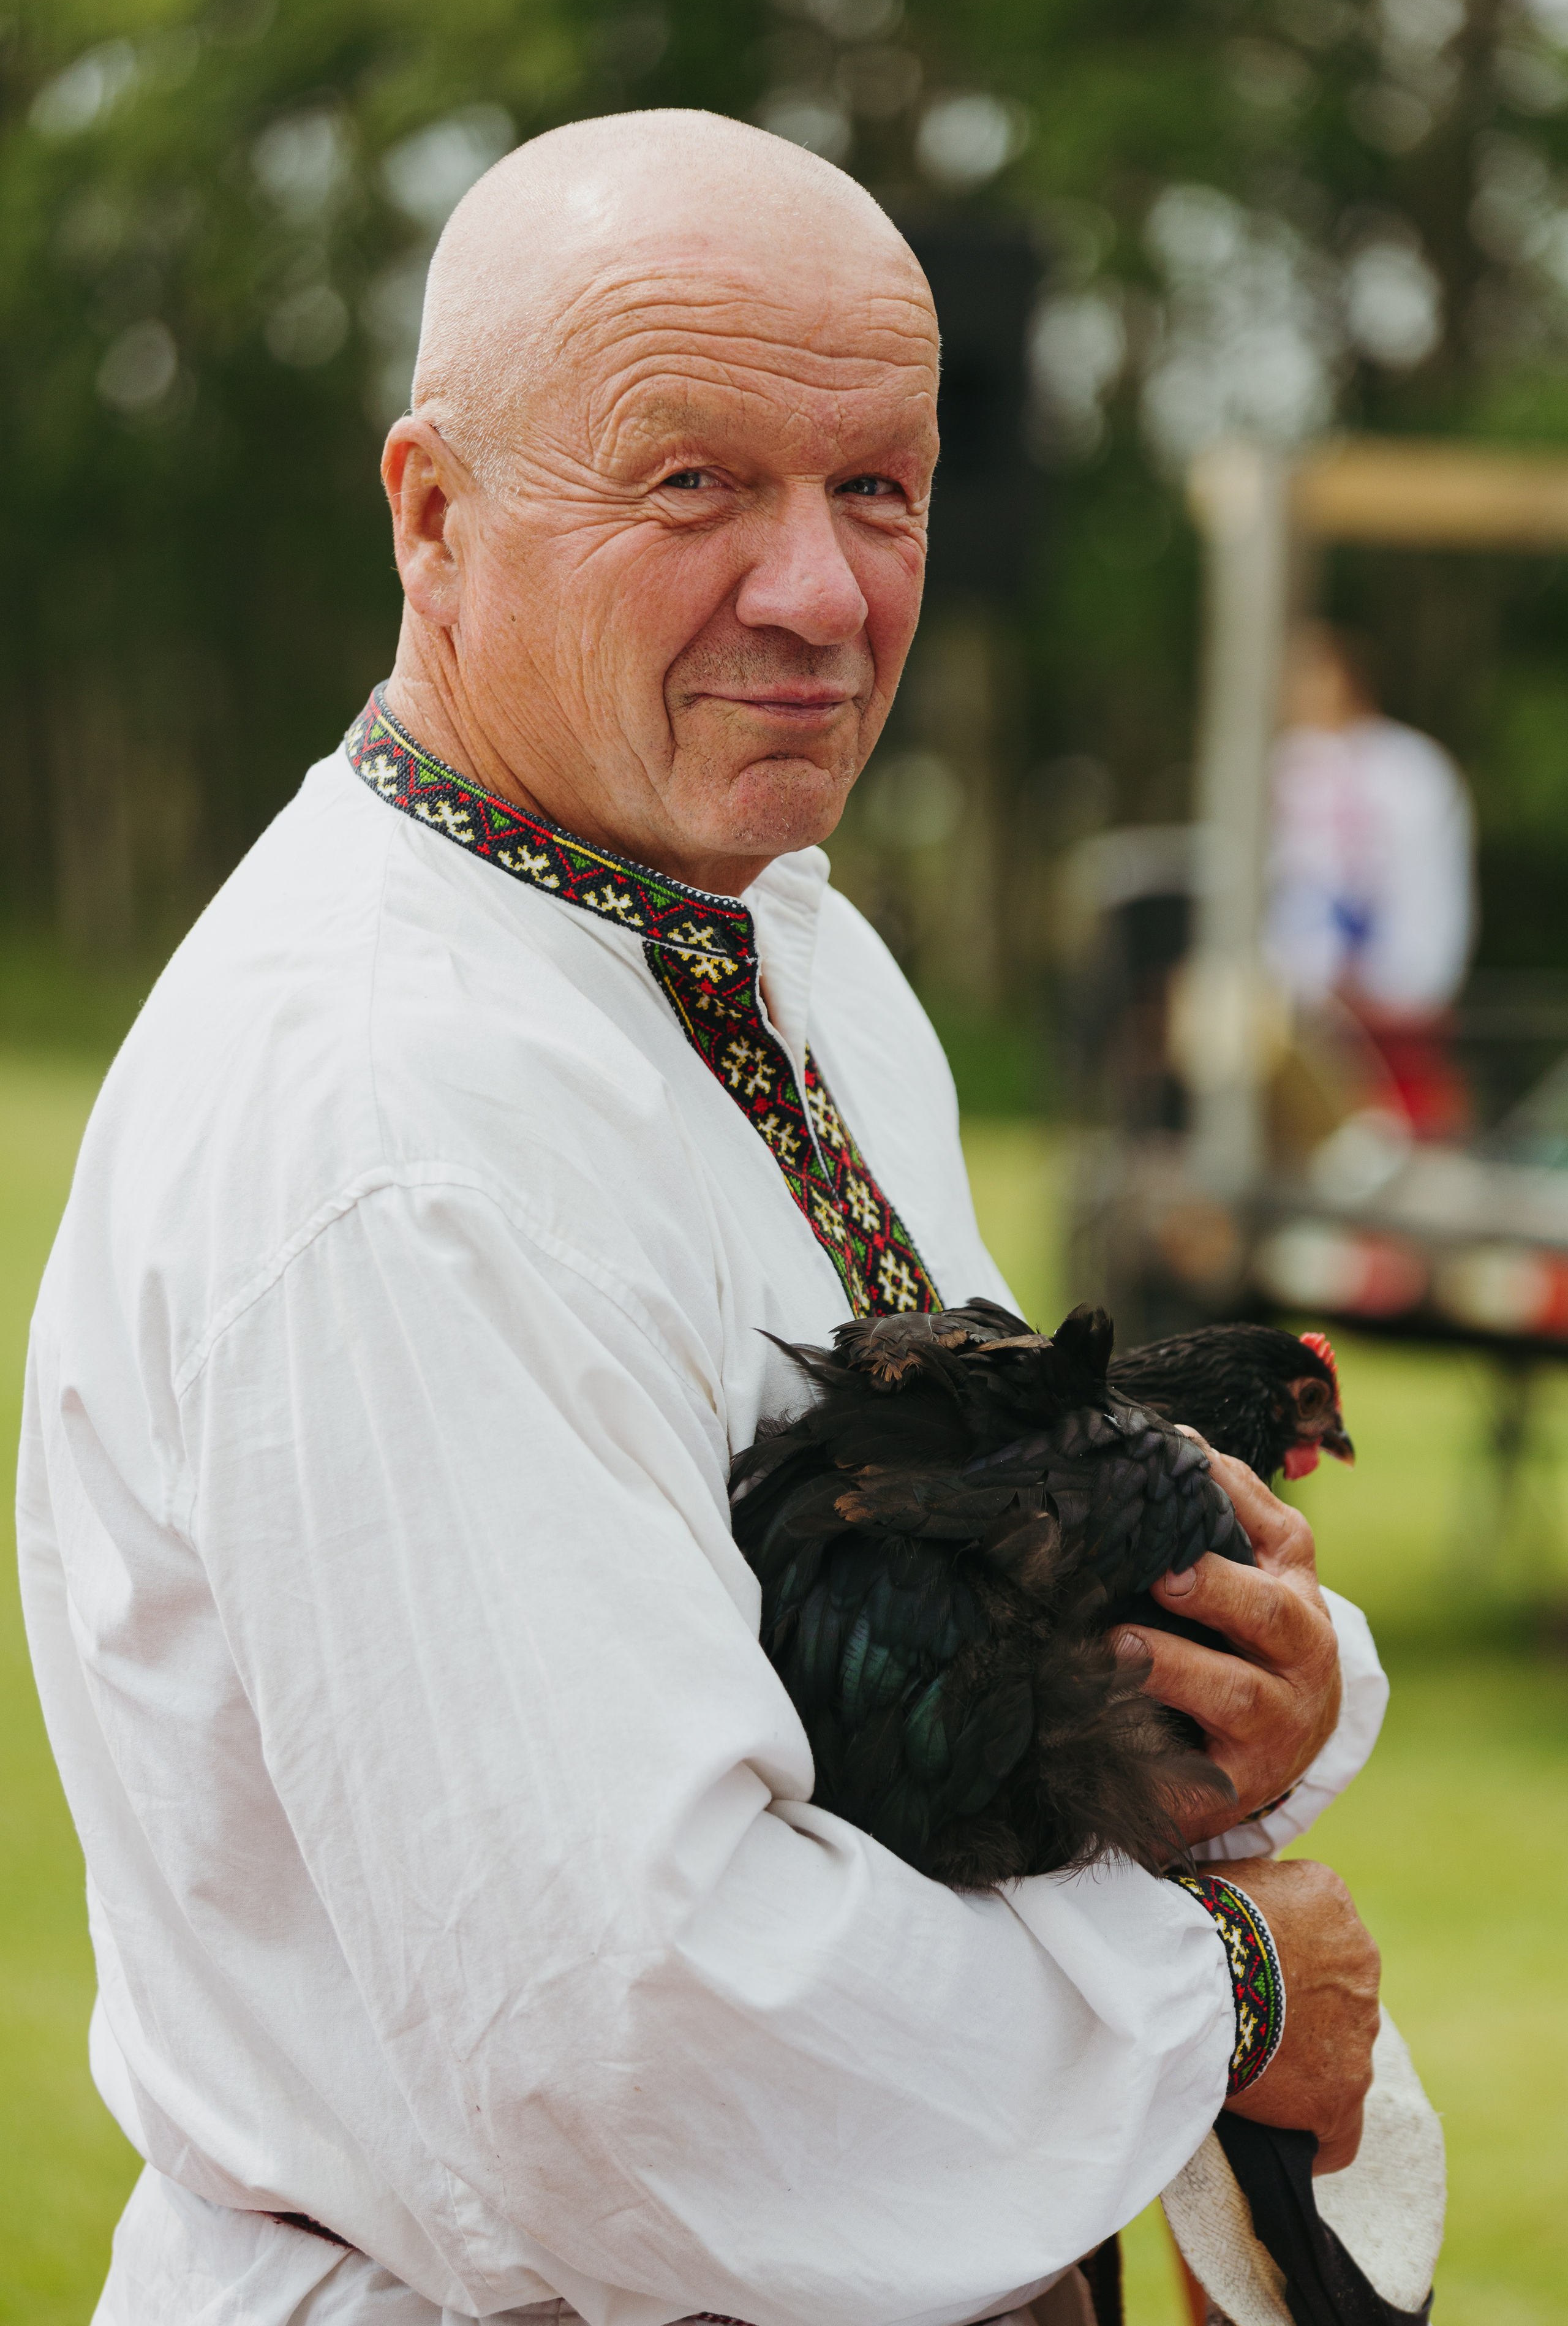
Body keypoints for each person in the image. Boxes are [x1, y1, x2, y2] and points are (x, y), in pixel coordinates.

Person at [19, 113, 1385, 2326]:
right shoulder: (395, 1114)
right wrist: (1214, 1996)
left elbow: (959, 1571)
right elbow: (625, 2035)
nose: (820, 592)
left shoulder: (775, 940)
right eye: (690, 485)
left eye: (876, 487)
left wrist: (1251, 1679)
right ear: (433, 515)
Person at [1265, 621, 1476, 1138]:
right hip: (1296, 1013)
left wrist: (1410, 981)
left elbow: (1432, 887)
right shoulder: (1281, 770)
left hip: (1391, 1015)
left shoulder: (1412, 771)